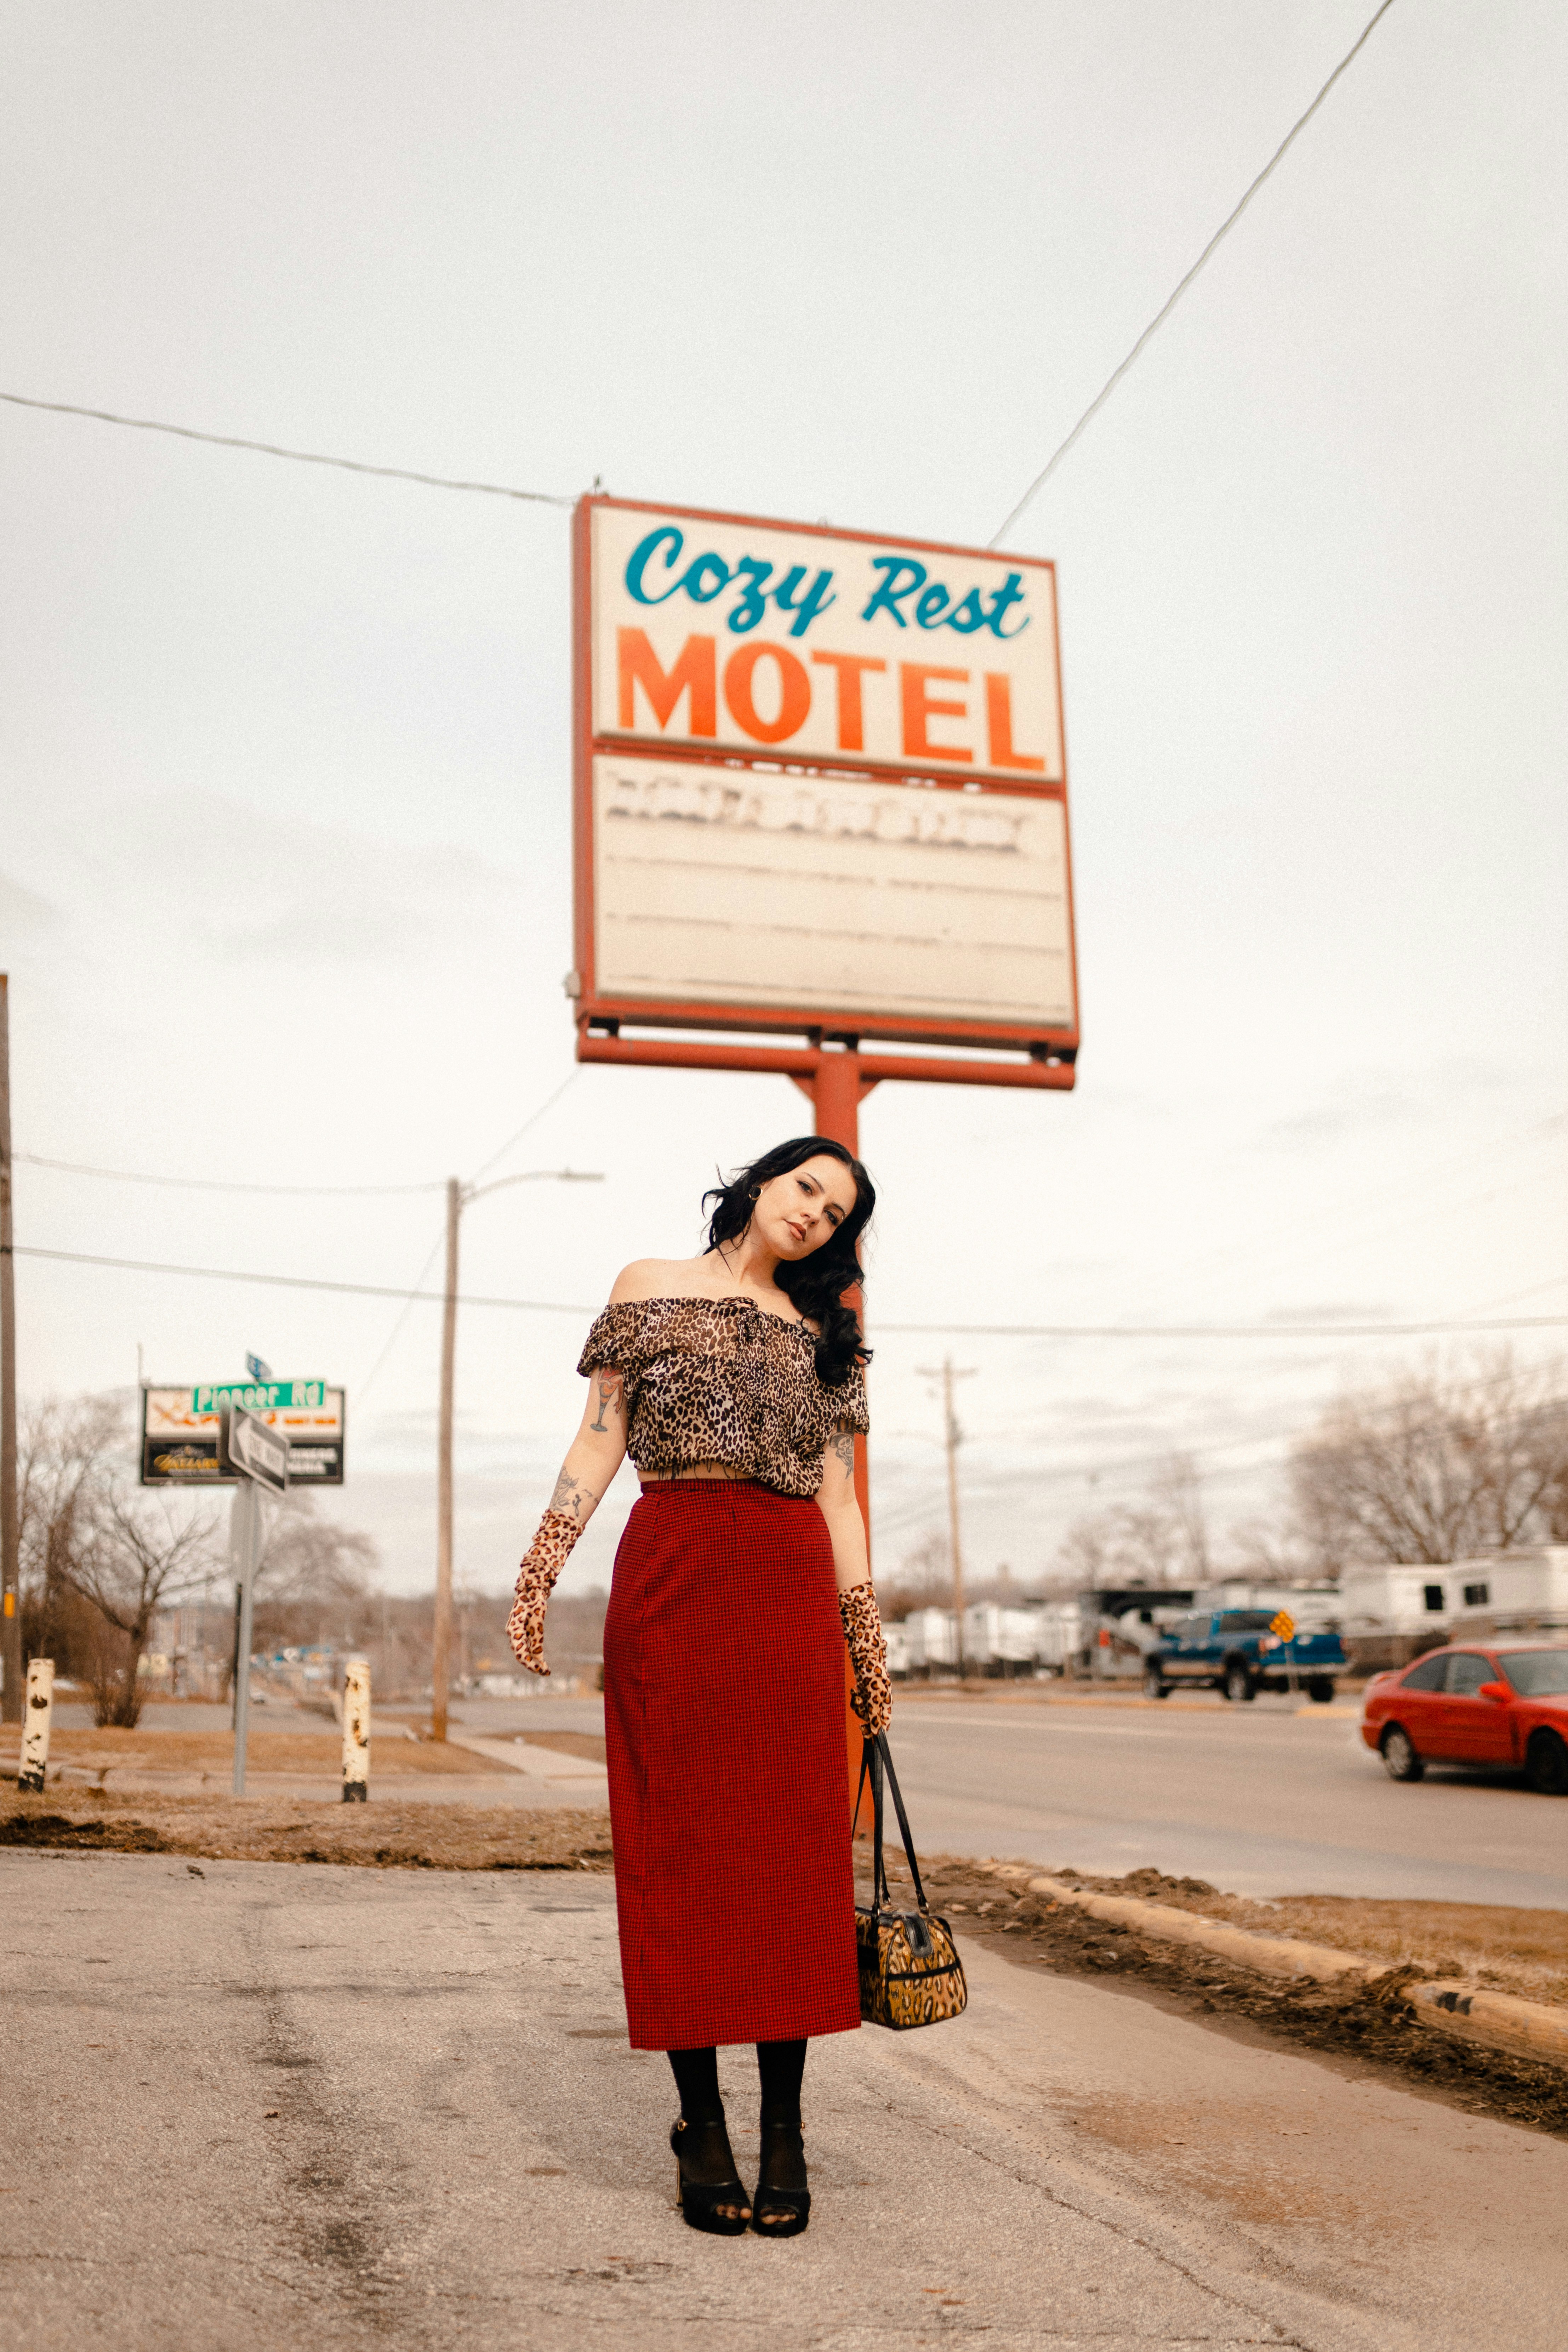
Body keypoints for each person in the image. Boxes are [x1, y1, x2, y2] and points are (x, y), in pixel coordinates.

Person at [507, 1135, 893, 2238]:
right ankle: (699, 2125)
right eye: (808, 1187)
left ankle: (784, 2129)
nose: (817, 1214)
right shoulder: (647, 1286)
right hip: (671, 1570)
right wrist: (539, 1575)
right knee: (677, 1851)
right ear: (764, 1180)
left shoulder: (825, 1335)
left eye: (840, 1211)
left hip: (784, 1592)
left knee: (787, 1862)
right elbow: (598, 1440)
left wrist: (865, 1642)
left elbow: (838, 1500)